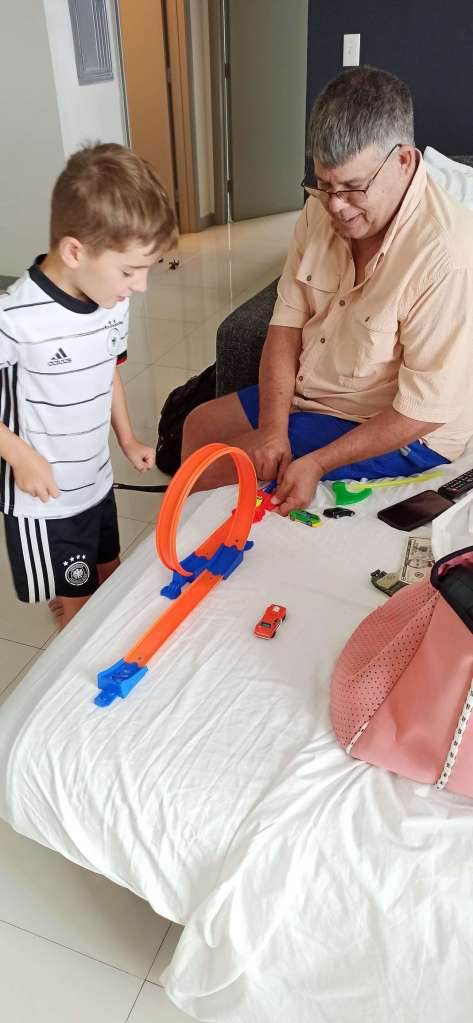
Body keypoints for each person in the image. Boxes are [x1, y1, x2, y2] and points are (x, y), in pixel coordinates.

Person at [181, 66, 473, 515]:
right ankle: (192, 530)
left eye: (353, 188)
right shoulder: (323, 209)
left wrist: (318, 461)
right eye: (323, 185)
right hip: (320, 391)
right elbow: (285, 324)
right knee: (199, 424)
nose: (335, 205)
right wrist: (273, 429)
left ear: (403, 162)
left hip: (403, 429)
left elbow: (423, 412)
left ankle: (209, 538)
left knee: (215, 468)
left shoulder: (446, 255)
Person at [0, 143, 176, 627]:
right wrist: (19, 455)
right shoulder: (16, 317)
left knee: (109, 572)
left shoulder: (111, 300)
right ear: (75, 252)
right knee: (78, 609)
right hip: (48, 502)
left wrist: (127, 439)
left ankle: (90, 611)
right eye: (130, 270)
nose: (140, 285)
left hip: (96, 482)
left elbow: (107, 370)